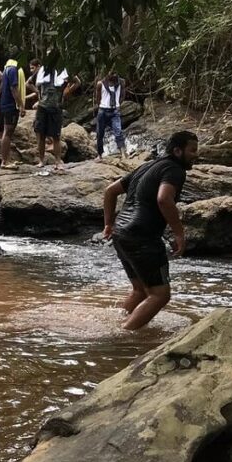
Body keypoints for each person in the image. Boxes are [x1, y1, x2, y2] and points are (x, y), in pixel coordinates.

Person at [101, 131, 198, 330]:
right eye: (193, 150)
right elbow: (164, 199)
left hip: (121, 233)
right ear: (178, 151)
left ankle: (114, 326)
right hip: (142, 237)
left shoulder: (147, 166)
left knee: (140, 291)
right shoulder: (174, 169)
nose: (196, 155)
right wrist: (179, 232)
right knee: (160, 295)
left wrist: (109, 224)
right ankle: (123, 335)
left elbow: (110, 191)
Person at [33, 50, 80, 168]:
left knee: (56, 135)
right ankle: (42, 160)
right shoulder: (43, 70)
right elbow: (35, 85)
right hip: (43, 106)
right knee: (40, 134)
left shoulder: (63, 69)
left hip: (56, 106)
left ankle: (58, 161)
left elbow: (77, 82)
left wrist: (66, 93)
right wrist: (39, 97)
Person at [0, 53, 26, 168]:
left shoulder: (7, 68)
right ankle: (4, 161)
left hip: (5, 104)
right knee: (8, 132)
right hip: (10, 105)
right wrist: (21, 105)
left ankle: (5, 160)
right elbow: (14, 88)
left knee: (7, 132)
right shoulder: (13, 69)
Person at [95, 71, 127, 158]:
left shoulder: (121, 83)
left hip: (114, 111)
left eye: (115, 73)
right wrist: (102, 105)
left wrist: (117, 104)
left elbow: (122, 96)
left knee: (118, 131)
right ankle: (100, 154)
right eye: (111, 73)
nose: (114, 75)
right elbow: (98, 98)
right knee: (100, 133)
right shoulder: (100, 84)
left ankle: (123, 153)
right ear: (107, 73)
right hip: (103, 111)